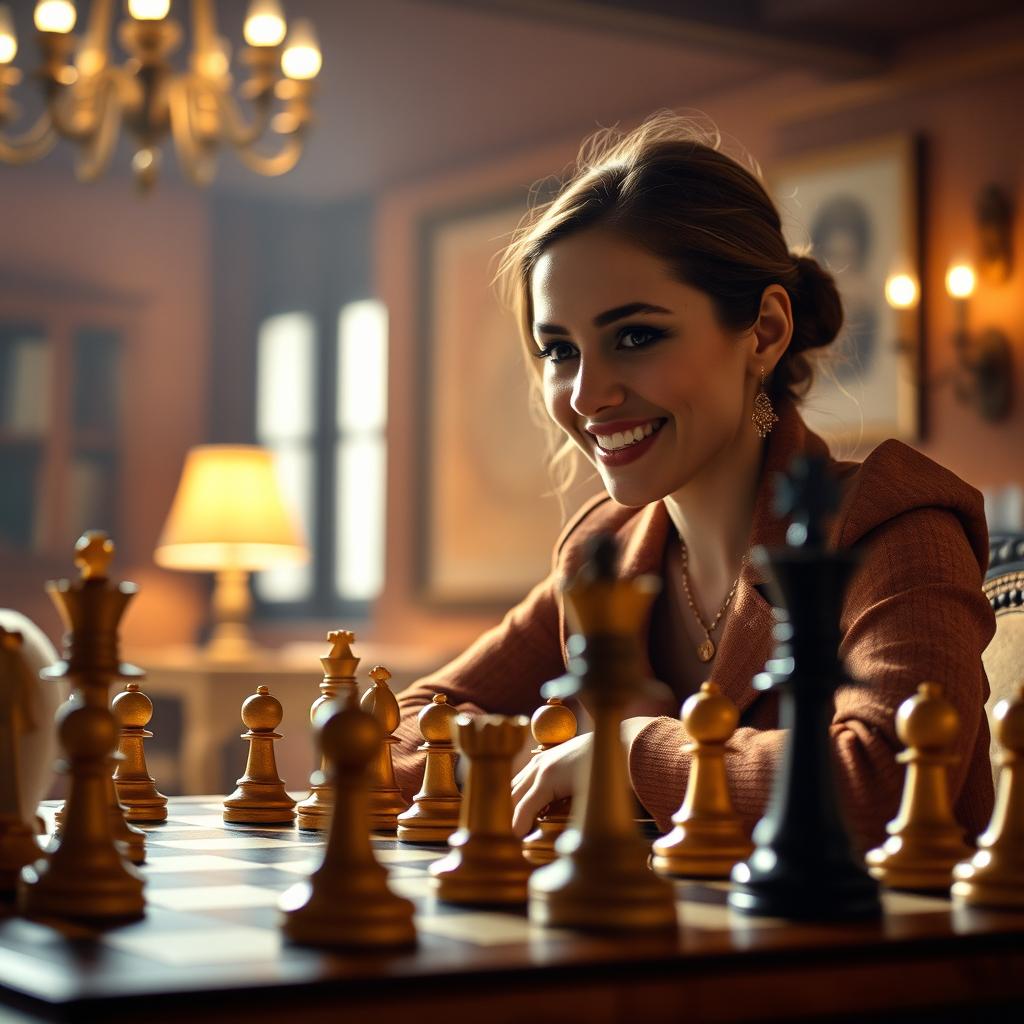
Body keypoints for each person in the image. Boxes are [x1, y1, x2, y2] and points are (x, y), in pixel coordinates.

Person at [391, 112, 995, 850]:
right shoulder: (604, 553)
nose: (586, 395)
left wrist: (625, 751)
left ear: (764, 334)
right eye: (560, 350)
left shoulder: (890, 525)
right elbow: (395, 731)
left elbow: (881, 783)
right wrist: (547, 754)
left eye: (636, 336)